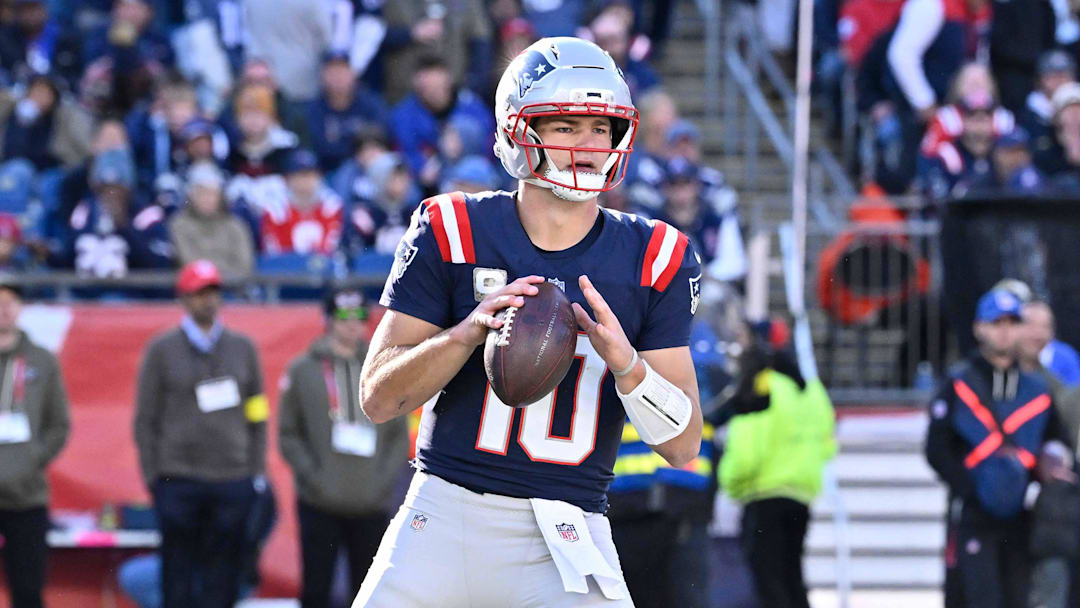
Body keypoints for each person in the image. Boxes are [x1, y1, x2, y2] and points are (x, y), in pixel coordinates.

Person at [354, 37, 704, 607]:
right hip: (443, 517)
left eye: (601, 128)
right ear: (519, 129)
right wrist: (465, 335)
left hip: (567, 533)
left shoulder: (656, 256)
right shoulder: (452, 228)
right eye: (565, 126)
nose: (588, 145)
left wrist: (628, 367)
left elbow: (684, 444)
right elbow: (376, 398)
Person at [133, 260, 268, 608]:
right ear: (183, 299)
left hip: (232, 479)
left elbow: (257, 411)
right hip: (178, 479)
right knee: (176, 573)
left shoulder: (243, 348)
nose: (208, 300)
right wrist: (154, 475)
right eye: (199, 293)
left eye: (213, 292)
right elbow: (145, 418)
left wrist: (254, 470)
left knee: (224, 574)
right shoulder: (161, 350)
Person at [926, 288, 1072, 608]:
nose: (1005, 331)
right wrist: (970, 487)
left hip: (1023, 513)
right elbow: (937, 448)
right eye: (996, 322)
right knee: (976, 595)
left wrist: (1046, 469)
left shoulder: (1038, 389)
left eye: (1013, 322)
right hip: (973, 513)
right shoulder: (960, 383)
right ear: (980, 328)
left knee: (1017, 596)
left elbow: (1058, 442)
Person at [279, 287, 409, 608]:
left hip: (371, 501)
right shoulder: (303, 369)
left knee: (367, 593)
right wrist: (313, 477)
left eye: (360, 317)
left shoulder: (384, 369)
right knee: (316, 589)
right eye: (345, 317)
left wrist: (382, 483)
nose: (354, 324)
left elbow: (397, 434)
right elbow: (288, 433)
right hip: (318, 501)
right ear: (328, 320)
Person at [715, 321, 835, 608]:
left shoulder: (761, 384)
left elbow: (748, 444)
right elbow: (827, 443)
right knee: (792, 575)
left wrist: (730, 481)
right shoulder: (810, 387)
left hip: (764, 492)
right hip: (801, 494)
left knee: (768, 582)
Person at [0, 277, 70, 608]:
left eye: (10, 301)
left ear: (20, 308)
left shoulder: (41, 360)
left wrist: (33, 458)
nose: (3, 308)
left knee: (28, 591)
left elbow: (59, 424)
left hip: (26, 495)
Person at [167, 161, 255, 279]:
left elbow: (245, 266)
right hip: (195, 292)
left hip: (233, 290)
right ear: (191, 195)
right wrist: (221, 271)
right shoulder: (178, 224)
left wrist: (214, 273)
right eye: (202, 192)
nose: (207, 198)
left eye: (212, 193)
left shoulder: (235, 225)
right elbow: (187, 262)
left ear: (220, 195)